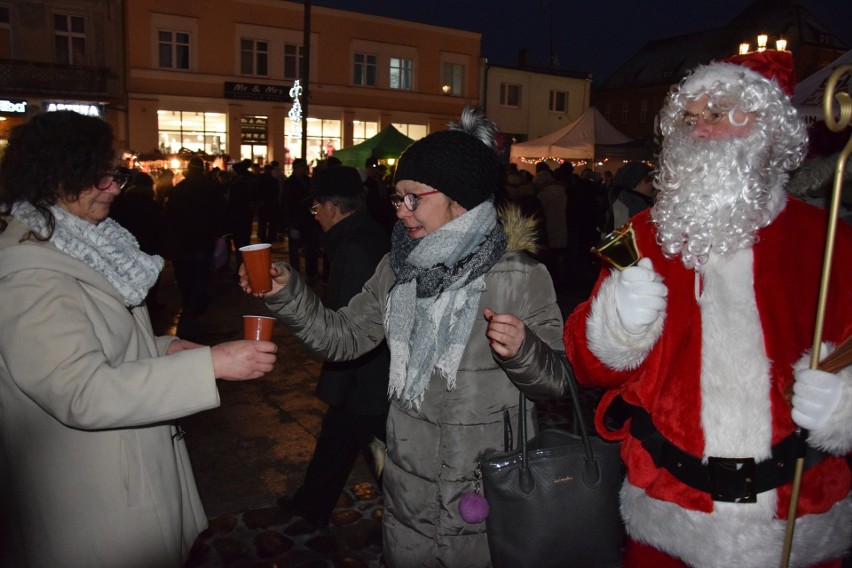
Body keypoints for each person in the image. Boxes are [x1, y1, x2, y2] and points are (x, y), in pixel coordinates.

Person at [241, 106, 572, 567]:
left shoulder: (519, 276)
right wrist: (287, 292)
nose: (402, 212)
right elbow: (344, 338)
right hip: (408, 492)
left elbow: (557, 382)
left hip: (490, 489)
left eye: (414, 197)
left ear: (461, 198)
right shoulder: (398, 267)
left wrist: (524, 352)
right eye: (397, 199)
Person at [563, 50, 852, 567]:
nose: (697, 130)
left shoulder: (826, 240)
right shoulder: (644, 234)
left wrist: (844, 402)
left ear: (766, 128)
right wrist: (615, 327)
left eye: (715, 114)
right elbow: (589, 366)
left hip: (797, 520)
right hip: (669, 514)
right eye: (688, 119)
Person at [0, 110, 277, 567]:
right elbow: (81, 391)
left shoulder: (76, 241)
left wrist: (165, 349)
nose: (113, 187)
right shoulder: (30, 275)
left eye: (114, 175)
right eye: (99, 177)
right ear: (54, 179)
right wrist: (207, 366)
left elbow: (99, 346)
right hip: (91, 498)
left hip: (113, 472)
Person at [278, 165, 391, 528]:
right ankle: (312, 505)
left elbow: (346, 325)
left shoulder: (355, 247)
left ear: (332, 206)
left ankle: (411, 519)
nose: (315, 217)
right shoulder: (364, 235)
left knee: (385, 460)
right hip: (365, 375)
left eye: (315, 209)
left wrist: (338, 383)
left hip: (367, 377)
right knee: (335, 442)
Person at [165, 156, 226, 319]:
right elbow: (218, 213)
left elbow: (170, 215)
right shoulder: (210, 189)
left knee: (185, 272)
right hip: (203, 239)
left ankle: (188, 302)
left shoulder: (179, 189)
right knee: (202, 272)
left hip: (184, 239)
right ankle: (197, 303)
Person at [606, 161, 654, 232]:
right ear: (636, 181)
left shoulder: (619, 199)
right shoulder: (631, 206)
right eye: (648, 180)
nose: (652, 184)